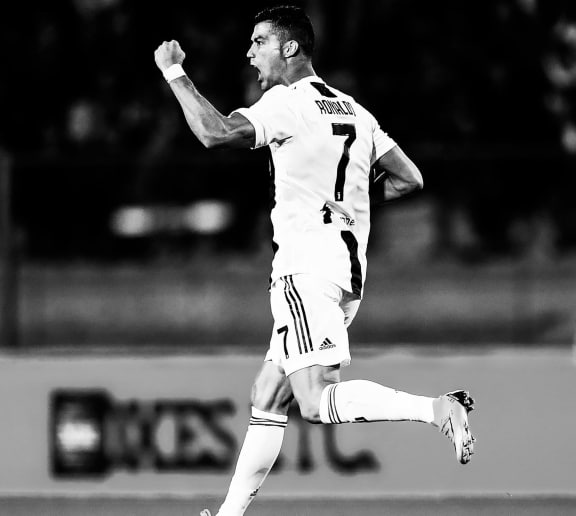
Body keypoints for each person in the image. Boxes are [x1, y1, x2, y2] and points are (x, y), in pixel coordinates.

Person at [153, 6, 475, 516]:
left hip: (304, 269)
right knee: (268, 394)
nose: (249, 53)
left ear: (290, 48)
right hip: (345, 274)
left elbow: (214, 132)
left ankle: (436, 409)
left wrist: (174, 72)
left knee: (315, 399)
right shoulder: (354, 111)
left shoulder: (286, 102)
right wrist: (346, 203)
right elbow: (408, 178)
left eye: (259, 41)